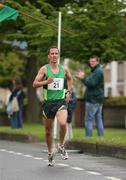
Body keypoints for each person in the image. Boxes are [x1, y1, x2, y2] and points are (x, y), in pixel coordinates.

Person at [33, 46, 73, 166]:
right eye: (52, 53)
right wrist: (46, 82)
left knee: (62, 123)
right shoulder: (44, 69)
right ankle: (50, 153)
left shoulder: (64, 69)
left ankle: (61, 145)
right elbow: (34, 84)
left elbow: (70, 79)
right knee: (48, 132)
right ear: (49, 56)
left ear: (58, 55)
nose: (54, 55)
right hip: (48, 103)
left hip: (61, 102)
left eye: (56, 53)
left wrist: (68, 92)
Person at [76, 55, 104, 137]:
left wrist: (82, 78)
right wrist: (83, 78)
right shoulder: (96, 71)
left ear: (97, 62)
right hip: (98, 99)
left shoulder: (97, 71)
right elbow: (91, 82)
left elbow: (91, 83)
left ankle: (88, 137)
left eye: (93, 61)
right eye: (90, 61)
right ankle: (101, 138)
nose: (91, 63)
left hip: (93, 99)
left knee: (89, 120)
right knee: (99, 119)